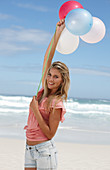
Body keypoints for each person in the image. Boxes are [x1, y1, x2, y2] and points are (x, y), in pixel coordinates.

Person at [24, 19, 70, 170]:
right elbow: (47, 58)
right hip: (29, 148)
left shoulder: (57, 103)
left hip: (44, 151)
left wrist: (36, 110)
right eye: (50, 74)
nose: (50, 79)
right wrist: (57, 32)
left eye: (56, 77)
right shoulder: (42, 91)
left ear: (62, 81)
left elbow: (50, 134)